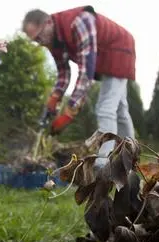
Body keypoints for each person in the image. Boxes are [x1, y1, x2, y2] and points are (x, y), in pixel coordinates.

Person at [22, 5, 136, 168]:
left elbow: (85, 72)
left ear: (48, 23)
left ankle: (103, 163)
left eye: (39, 37)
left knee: (105, 108)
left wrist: (69, 112)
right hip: (105, 56)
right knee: (119, 110)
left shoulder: (79, 22)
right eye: (35, 41)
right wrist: (53, 100)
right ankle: (131, 156)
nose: (40, 43)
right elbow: (63, 73)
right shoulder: (53, 41)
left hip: (119, 50)